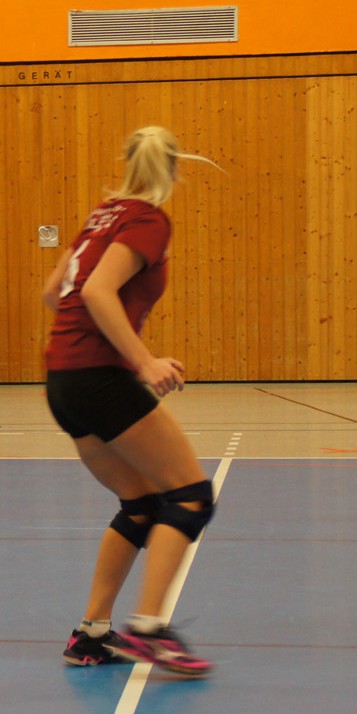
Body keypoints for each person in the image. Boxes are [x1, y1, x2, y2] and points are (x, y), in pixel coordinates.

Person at [42, 126, 219, 678]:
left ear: (128, 164)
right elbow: (97, 291)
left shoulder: (102, 216)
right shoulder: (147, 220)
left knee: (141, 503)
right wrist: (143, 362)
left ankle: (92, 634)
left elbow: (54, 293)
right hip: (98, 377)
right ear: (174, 170)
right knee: (191, 497)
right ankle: (149, 628)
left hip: (63, 380)